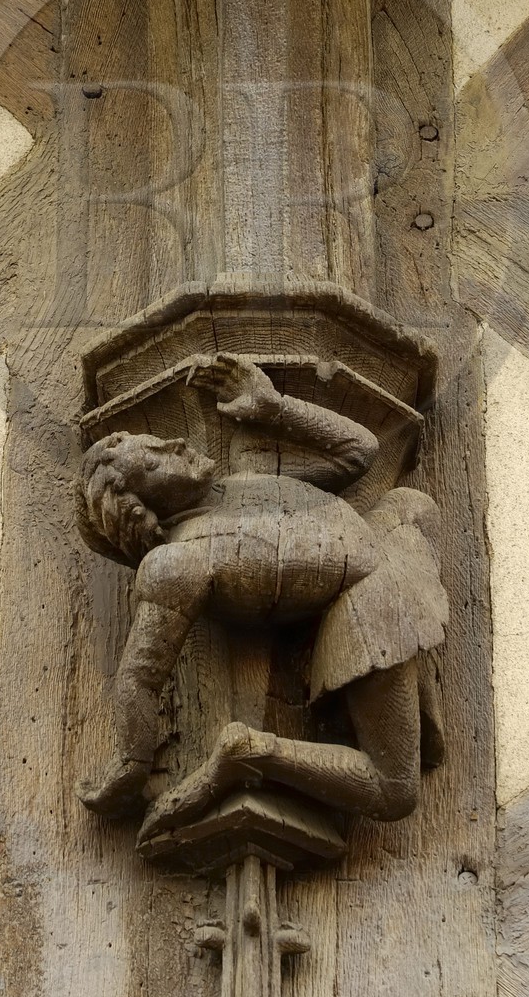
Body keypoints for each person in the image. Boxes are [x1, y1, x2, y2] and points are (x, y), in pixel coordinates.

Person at [75, 353, 447, 843]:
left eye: (156, 439)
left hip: (384, 557)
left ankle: (389, 707)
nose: (174, 443)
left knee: (410, 504)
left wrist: (276, 408)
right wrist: (130, 764)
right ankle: (251, 751)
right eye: (153, 459)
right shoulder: (175, 563)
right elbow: (137, 680)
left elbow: (360, 453)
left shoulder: (244, 479)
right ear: (141, 511)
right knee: (395, 790)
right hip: (368, 609)